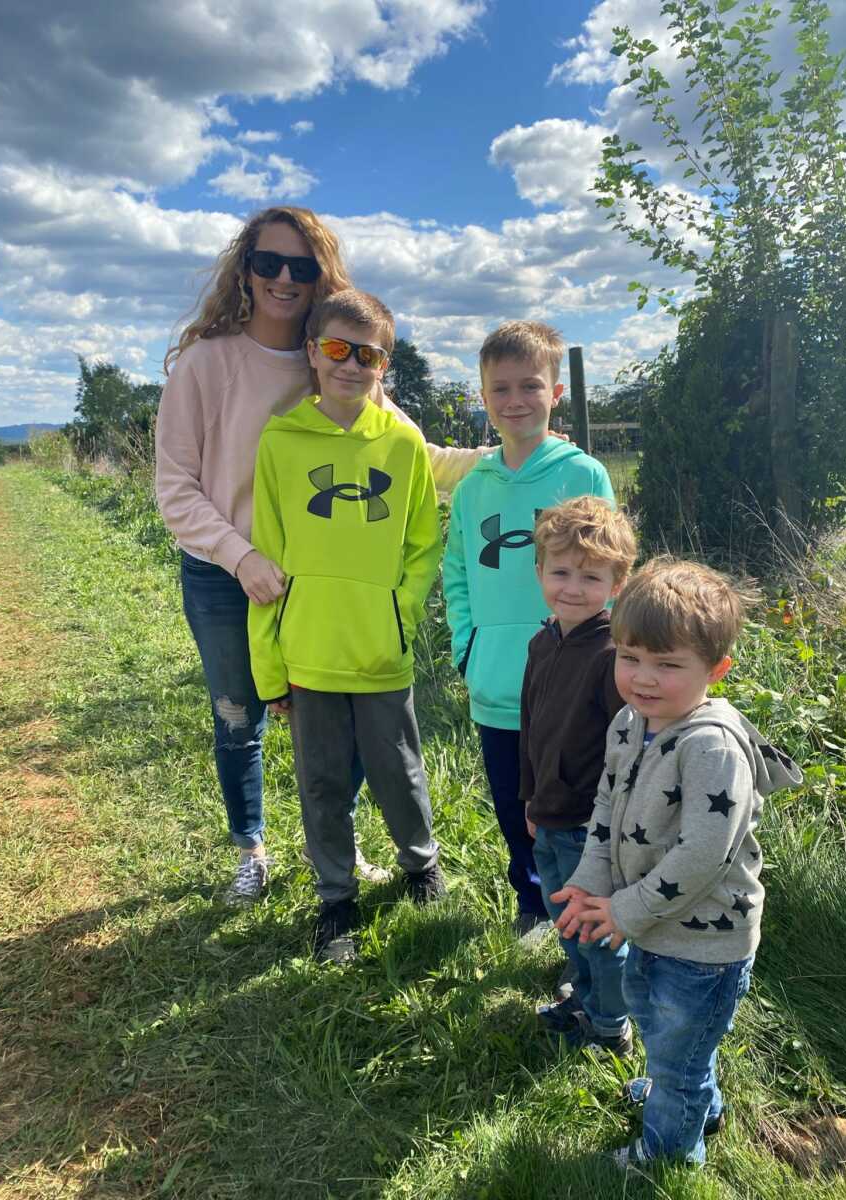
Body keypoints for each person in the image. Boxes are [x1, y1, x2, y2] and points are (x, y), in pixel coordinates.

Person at [155, 206, 483, 906]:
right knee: (239, 714)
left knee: (329, 724)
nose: (282, 278)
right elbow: (174, 485)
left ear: (319, 278)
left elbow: (409, 456)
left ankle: (337, 843)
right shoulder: (207, 362)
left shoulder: (340, 356)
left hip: (317, 586)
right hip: (224, 575)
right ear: (244, 269)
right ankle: (250, 847)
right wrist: (241, 557)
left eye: (300, 267)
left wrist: (505, 458)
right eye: (268, 262)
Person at [553, 558, 802, 1168]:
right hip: (653, 922)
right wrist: (590, 879)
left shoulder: (711, 748)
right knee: (670, 1035)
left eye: (668, 665)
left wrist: (625, 909)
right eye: (630, 657)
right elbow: (607, 802)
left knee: (678, 1045)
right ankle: (692, 1094)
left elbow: (703, 856)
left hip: (705, 943)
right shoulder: (630, 722)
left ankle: (668, 1151)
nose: (643, 678)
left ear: (716, 669)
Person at [248, 289, 445, 963]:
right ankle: (336, 903)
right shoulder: (281, 441)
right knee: (323, 784)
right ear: (312, 352)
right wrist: (269, 668)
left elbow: (423, 543)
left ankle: (422, 866)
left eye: (368, 355)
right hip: (309, 654)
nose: (350, 365)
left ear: (384, 365)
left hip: (380, 650)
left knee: (399, 770)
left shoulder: (403, 444)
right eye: (336, 349)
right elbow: (267, 559)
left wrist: (400, 613)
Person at [443, 321, 615, 941]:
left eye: (529, 386)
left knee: (570, 800)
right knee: (515, 801)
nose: (515, 401)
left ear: (556, 393)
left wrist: (603, 654)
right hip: (496, 678)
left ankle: (583, 902)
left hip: (570, 683)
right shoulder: (473, 488)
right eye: (501, 389)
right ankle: (531, 899)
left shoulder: (583, 475)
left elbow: (610, 566)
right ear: (483, 396)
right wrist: (467, 644)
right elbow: (456, 569)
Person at [521, 496, 637, 1055]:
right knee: (563, 916)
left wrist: (612, 827)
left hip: (592, 827)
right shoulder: (541, 644)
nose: (572, 587)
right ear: (539, 570)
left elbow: (630, 752)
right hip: (547, 814)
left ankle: (611, 1022)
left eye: (591, 577)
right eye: (560, 571)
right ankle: (583, 994)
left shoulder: (614, 656)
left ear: (617, 582)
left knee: (595, 928)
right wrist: (529, 800)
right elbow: (529, 732)